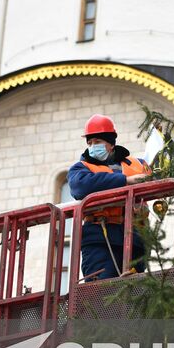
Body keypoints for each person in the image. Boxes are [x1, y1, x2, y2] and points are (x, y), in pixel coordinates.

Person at [68, 114, 152, 281]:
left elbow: (155, 180)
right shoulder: (81, 168)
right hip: (99, 237)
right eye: (90, 143)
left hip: (134, 238)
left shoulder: (138, 165)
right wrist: (125, 181)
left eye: (97, 142)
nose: (92, 146)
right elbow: (80, 187)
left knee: (135, 292)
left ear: (111, 144)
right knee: (101, 292)